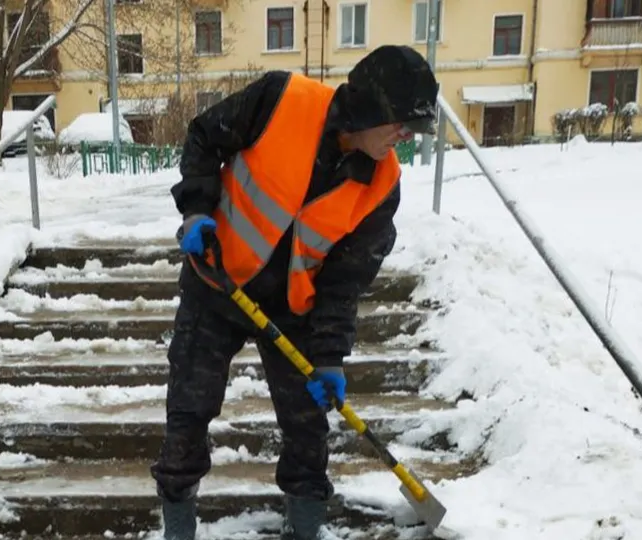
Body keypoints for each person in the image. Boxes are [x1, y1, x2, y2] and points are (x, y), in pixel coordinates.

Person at [150, 44, 440, 540]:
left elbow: (345, 281)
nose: (405, 136)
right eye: (400, 122)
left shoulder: (382, 186)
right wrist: (197, 209)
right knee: (188, 412)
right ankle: (178, 527)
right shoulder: (281, 99)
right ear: (370, 106)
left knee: (308, 427)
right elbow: (203, 136)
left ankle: (306, 527)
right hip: (216, 283)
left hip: (292, 310)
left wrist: (329, 354)